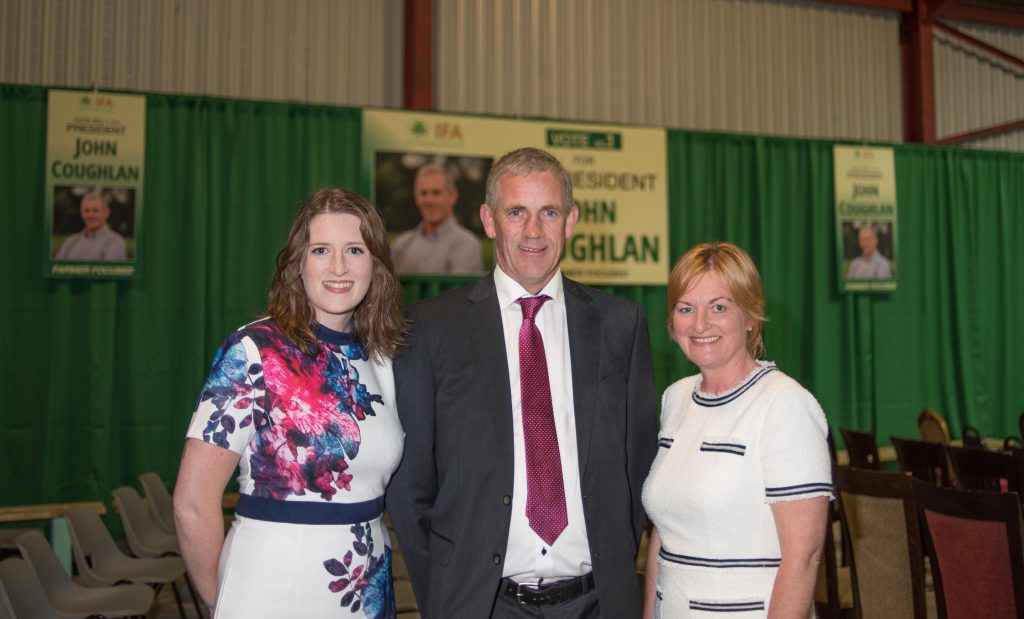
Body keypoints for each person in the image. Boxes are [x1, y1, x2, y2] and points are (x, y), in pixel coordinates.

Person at [387, 147, 658, 618]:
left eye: (548, 212)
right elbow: (411, 489)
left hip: (598, 601)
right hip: (482, 604)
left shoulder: (620, 325)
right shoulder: (431, 330)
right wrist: (446, 598)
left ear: (571, 220)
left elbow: (637, 467)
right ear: (489, 220)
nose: (533, 231)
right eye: (517, 212)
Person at [173, 188, 406, 618]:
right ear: (299, 263)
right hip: (269, 591)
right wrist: (220, 601)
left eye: (354, 249)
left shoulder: (382, 358)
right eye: (321, 249)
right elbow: (192, 502)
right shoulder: (254, 351)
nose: (338, 267)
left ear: (376, 264)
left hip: (365, 590)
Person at [641, 242, 832, 618]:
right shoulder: (676, 399)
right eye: (685, 309)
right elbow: (664, 533)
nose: (699, 324)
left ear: (749, 316)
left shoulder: (784, 404)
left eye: (719, 307)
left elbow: (804, 557)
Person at [390, 162, 483, 274]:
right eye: (423, 193)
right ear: (416, 198)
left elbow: (459, 291)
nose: (429, 200)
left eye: (436, 193)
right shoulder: (401, 245)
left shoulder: (467, 245)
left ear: (452, 197)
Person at [54, 190, 127, 261]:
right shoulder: (70, 242)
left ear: (106, 213)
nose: (90, 215)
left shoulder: (115, 242)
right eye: (86, 210)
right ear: (81, 214)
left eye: (95, 210)